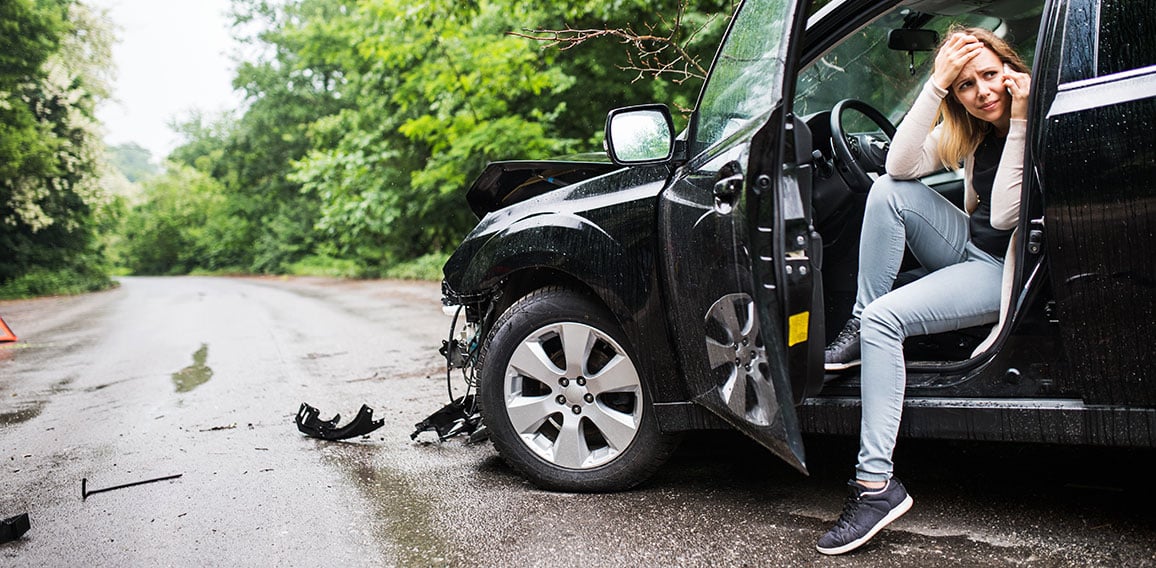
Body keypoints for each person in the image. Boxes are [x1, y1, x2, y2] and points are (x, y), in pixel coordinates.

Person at [816, 27, 1032, 555]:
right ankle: (858, 319)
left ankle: (875, 488)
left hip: (1005, 268)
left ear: (1009, 67)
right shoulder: (971, 130)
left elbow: (1005, 215)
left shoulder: (1040, 119)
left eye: (988, 75)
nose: (982, 91)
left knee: (887, 321)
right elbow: (897, 166)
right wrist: (933, 85)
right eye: (965, 85)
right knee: (890, 191)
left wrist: (1022, 117)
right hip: (969, 247)